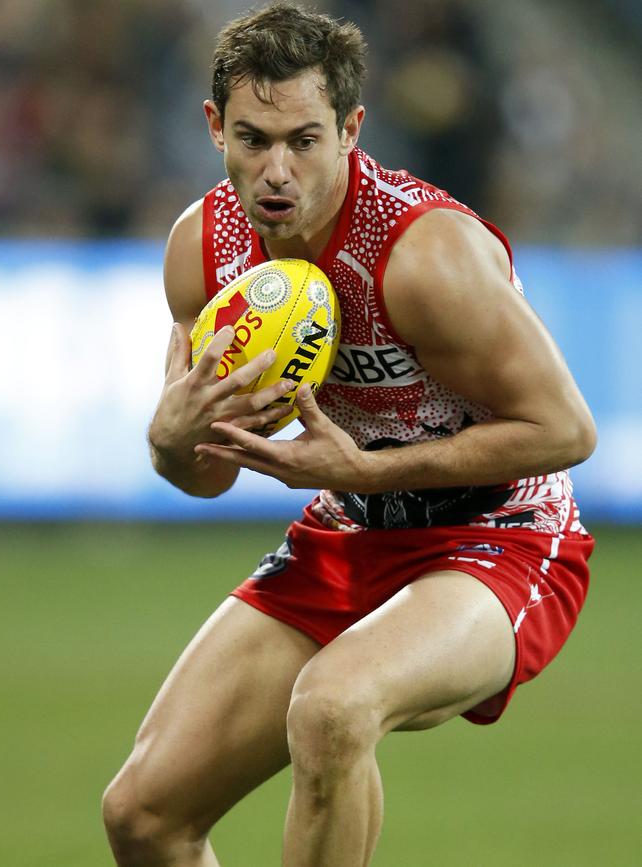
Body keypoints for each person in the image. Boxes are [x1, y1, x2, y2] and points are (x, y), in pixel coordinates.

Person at [102, 3, 597, 865]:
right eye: (253, 140)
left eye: (304, 139)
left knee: (333, 706)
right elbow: (205, 475)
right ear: (214, 126)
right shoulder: (204, 250)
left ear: (351, 130)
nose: (277, 172)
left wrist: (365, 469)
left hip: (500, 535)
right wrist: (169, 441)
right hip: (352, 531)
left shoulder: (424, 254)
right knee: (142, 814)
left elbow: (566, 429)